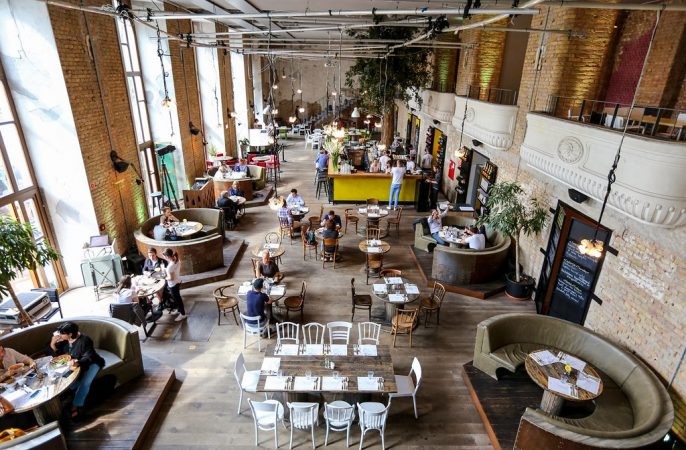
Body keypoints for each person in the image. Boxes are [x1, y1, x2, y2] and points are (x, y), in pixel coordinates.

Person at [49, 322, 105, 419]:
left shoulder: (85, 340)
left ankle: (75, 406)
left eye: (62, 334)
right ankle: (84, 392)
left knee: (85, 384)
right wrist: (52, 343)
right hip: (75, 365)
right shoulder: (64, 340)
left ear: (70, 334)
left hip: (92, 363)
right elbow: (61, 355)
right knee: (66, 380)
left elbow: (88, 357)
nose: (60, 335)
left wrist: (77, 362)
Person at [160, 248, 187, 322]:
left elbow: (171, 278)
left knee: (178, 299)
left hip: (173, 284)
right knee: (177, 298)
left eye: (164, 256)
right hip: (178, 281)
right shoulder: (177, 260)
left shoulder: (170, 266)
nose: (164, 257)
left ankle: (183, 314)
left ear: (167, 256)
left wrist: (164, 277)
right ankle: (179, 310)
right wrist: (166, 269)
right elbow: (173, 270)